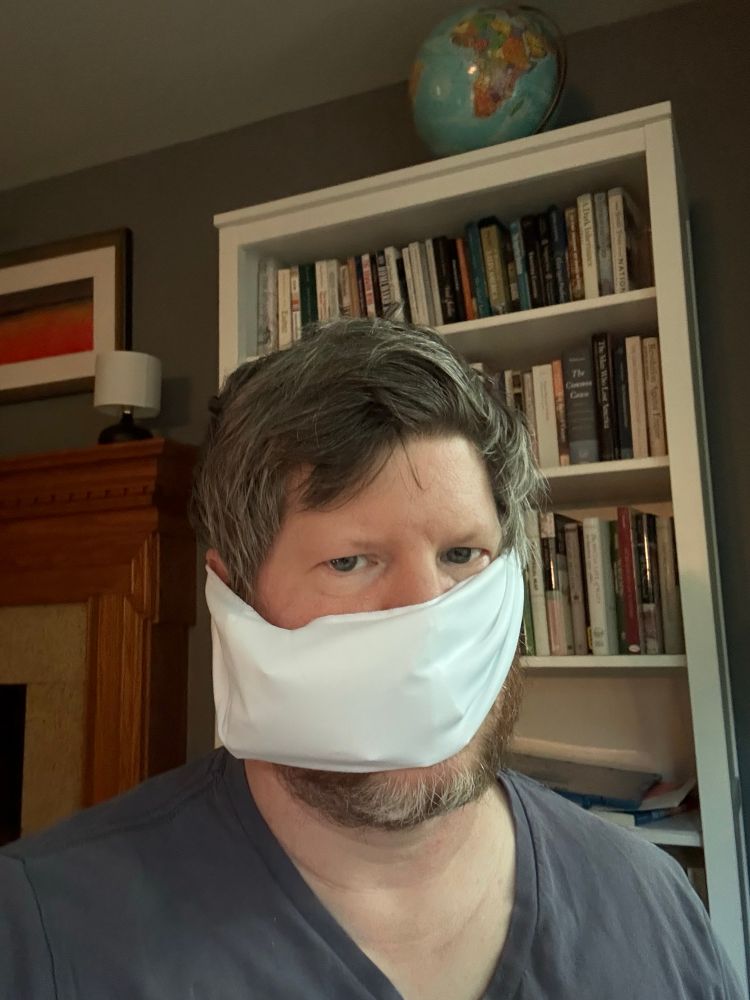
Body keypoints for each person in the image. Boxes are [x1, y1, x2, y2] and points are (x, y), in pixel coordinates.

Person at [0, 318, 744, 1000]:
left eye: (461, 555)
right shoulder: (45, 935)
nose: (427, 623)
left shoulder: (652, 906)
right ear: (233, 598)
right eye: (350, 561)